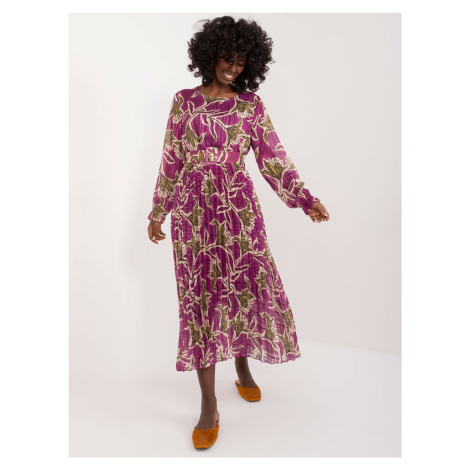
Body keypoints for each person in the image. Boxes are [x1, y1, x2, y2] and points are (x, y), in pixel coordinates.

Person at [147, 16, 329, 449]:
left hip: (237, 209)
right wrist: (159, 210)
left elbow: (272, 157)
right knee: (201, 300)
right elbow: (171, 157)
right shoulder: (184, 102)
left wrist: (304, 198)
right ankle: (209, 405)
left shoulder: (250, 106)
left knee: (242, 286)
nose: (233, 67)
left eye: (241, 61)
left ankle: (243, 367)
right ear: (210, 55)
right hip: (192, 212)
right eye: (227, 58)